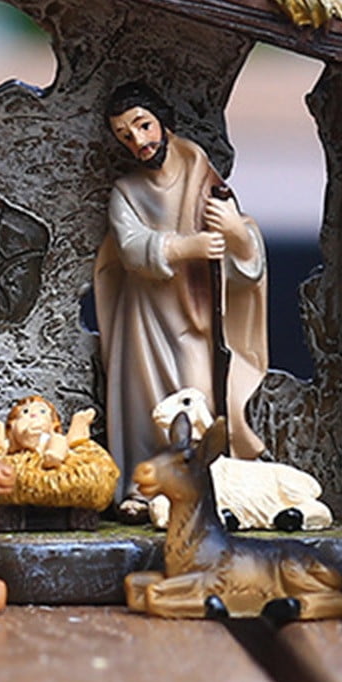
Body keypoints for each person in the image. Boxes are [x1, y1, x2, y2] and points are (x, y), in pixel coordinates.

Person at [93, 80, 267, 506]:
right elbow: (131, 248)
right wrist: (186, 246)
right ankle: (145, 488)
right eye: (125, 135)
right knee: (147, 404)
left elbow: (246, 264)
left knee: (196, 398)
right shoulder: (127, 192)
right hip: (146, 317)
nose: (139, 141)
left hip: (195, 318)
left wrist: (236, 234)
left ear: (163, 122)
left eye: (143, 126)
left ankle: (197, 485)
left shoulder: (203, 177)